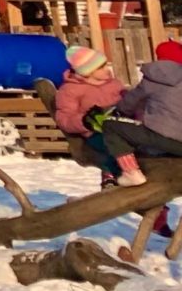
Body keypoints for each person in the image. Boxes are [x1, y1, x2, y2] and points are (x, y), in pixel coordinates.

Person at [101, 49, 182, 186]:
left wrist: (120, 111)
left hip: (165, 137)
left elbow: (128, 104)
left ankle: (131, 172)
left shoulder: (154, 77)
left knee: (110, 126)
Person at [50, 46, 132, 180]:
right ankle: (111, 175)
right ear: (87, 71)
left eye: (105, 65)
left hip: (122, 126)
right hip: (95, 132)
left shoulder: (114, 84)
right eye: (101, 67)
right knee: (113, 147)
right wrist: (85, 121)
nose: (107, 69)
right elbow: (64, 118)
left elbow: (129, 102)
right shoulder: (70, 90)